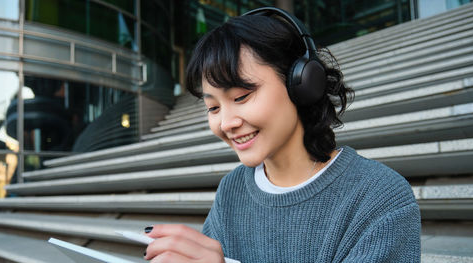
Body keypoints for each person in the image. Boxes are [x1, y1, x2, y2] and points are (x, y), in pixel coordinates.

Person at [143, 7, 420, 263]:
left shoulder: (379, 197)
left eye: (240, 96)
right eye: (213, 107)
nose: (226, 123)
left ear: (301, 83)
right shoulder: (232, 190)